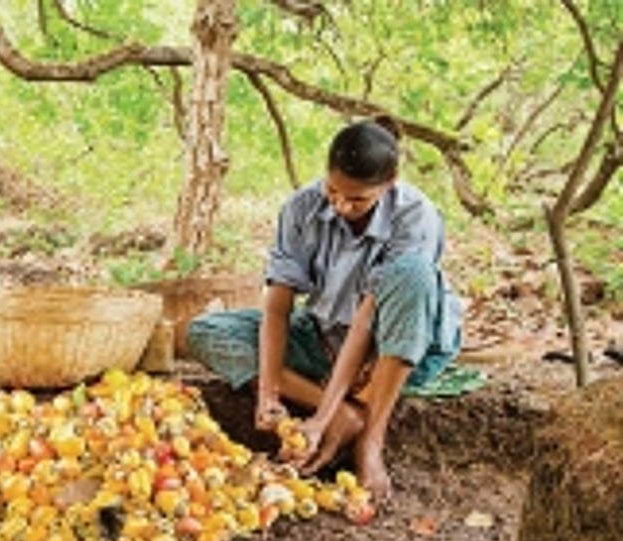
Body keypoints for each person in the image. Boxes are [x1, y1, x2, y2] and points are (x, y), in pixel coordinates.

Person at [187, 116, 461, 505]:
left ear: (390, 182)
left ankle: (370, 438)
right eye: (333, 192)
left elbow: (366, 320)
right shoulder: (301, 208)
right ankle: (347, 414)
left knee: (414, 274)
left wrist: (317, 421)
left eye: (358, 199)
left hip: (389, 348)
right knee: (206, 331)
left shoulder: (415, 216)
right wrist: (269, 393)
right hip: (325, 335)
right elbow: (278, 307)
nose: (342, 206)